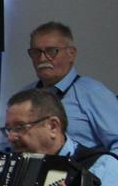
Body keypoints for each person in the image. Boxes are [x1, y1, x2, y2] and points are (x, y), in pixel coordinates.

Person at [21, 21, 118, 151]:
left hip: (81, 163)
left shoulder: (94, 93)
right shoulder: (24, 96)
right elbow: (8, 145)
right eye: (36, 52)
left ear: (71, 53)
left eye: (51, 51)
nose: (42, 58)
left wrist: (96, 165)